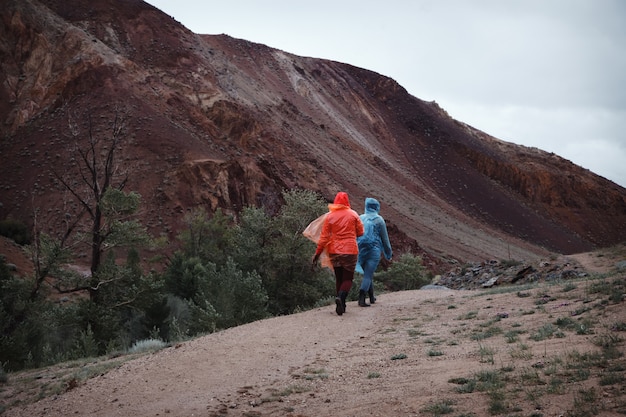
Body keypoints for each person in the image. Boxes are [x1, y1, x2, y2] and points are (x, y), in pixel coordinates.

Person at [312, 192, 364, 316]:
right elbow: (361, 232)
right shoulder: (353, 214)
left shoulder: (330, 217)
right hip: (350, 251)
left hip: (334, 250)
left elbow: (324, 238)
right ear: (347, 201)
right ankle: (341, 298)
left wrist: (317, 254)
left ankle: (341, 303)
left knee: (339, 277)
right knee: (348, 279)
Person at [356, 197, 392, 307]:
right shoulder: (379, 220)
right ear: (376, 207)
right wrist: (388, 253)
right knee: (368, 274)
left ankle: (371, 297)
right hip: (373, 250)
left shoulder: (360, 218)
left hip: (360, 250)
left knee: (368, 273)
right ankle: (361, 298)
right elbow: (385, 239)